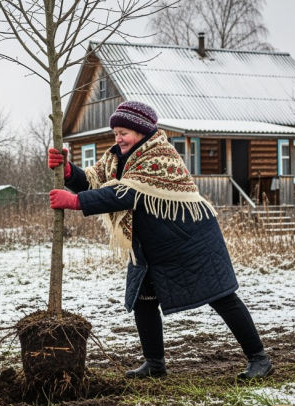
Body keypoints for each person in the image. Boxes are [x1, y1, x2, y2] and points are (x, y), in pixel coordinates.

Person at [48, 101, 273, 379]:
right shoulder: (117, 157)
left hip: (190, 239)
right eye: (116, 132)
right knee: (143, 300)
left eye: (124, 132)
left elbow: (126, 193)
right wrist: (69, 172)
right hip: (151, 244)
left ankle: (259, 359)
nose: (118, 138)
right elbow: (96, 180)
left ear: (142, 131)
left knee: (222, 296)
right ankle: (154, 363)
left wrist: (77, 202)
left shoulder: (159, 155)